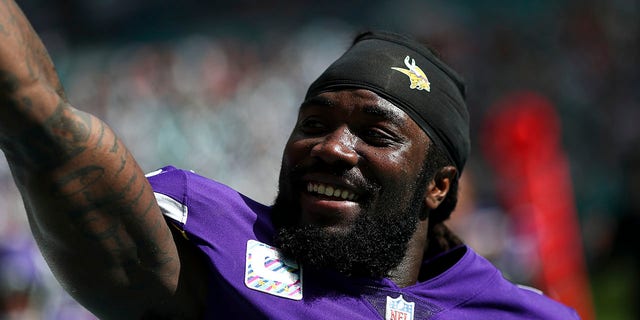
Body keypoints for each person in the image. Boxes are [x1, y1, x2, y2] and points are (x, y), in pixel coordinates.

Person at [0, 1, 580, 319]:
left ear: (438, 186)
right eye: (314, 123)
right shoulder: (213, 237)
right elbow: (50, 137)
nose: (331, 147)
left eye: (376, 133)